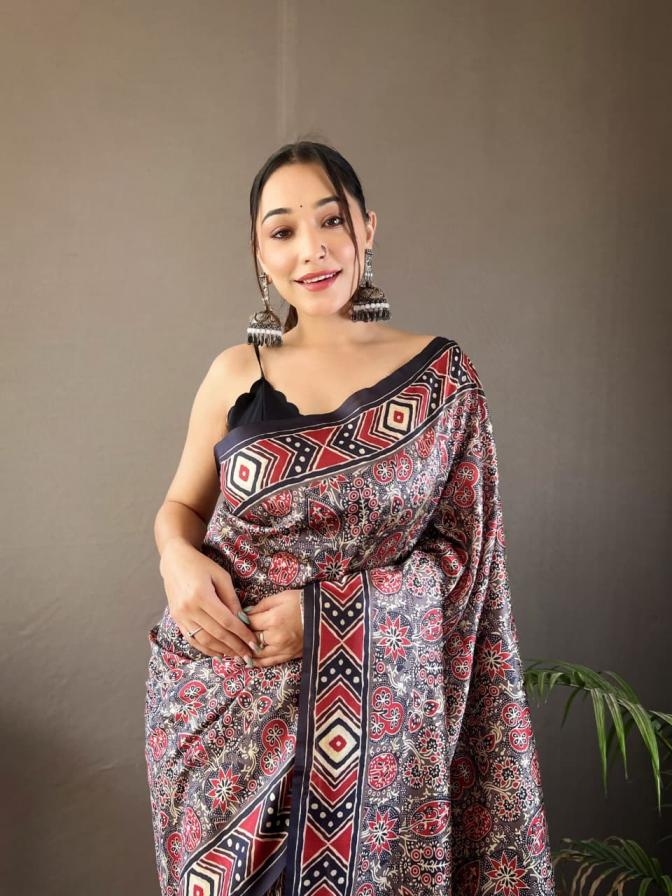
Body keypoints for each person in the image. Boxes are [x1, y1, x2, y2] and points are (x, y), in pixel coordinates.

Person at [144, 140, 556, 896]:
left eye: (331, 220)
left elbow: (467, 560)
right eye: (283, 230)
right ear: (260, 254)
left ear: (368, 227)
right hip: (219, 712)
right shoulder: (236, 373)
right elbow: (182, 507)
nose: (312, 249)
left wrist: (329, 619)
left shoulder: (442, 380)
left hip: (378, 737)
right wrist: (177, 558)